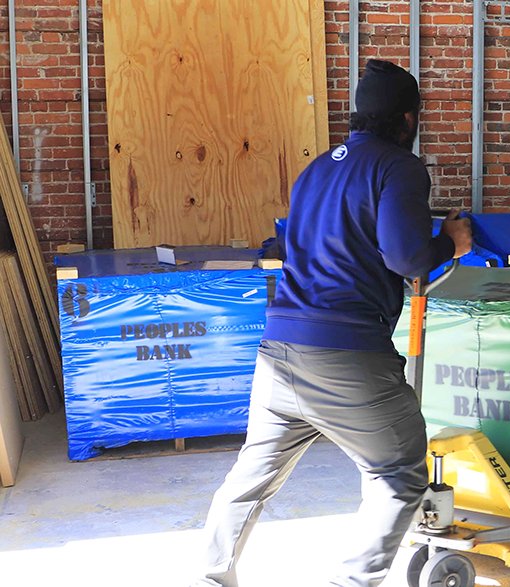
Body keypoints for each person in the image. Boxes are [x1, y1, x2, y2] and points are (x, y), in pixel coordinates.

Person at [190, 59, 473, 587]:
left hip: (279, 349)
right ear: (409, 119)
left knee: (253, 476)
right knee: (398, 472)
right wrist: (449, 242)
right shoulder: (399, 167)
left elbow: (304, 245)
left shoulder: (316, 169)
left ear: (357, 115)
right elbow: (407, 257)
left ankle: (211, 574)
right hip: (347, 355)